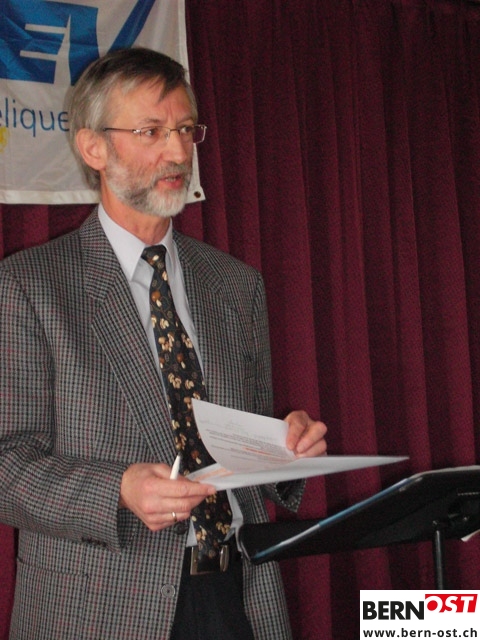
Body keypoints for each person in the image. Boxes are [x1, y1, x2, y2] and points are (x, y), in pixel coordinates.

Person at [0, 47, 327, 640]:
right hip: (100, 606)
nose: (178, 153)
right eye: (151, 131)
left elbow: (244, 437)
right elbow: (6, 464)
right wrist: (118, 490)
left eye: (184, 130)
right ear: (94, 148)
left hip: (238, 590)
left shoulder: (235, 285)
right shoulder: (30, 286)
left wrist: (284, 443)